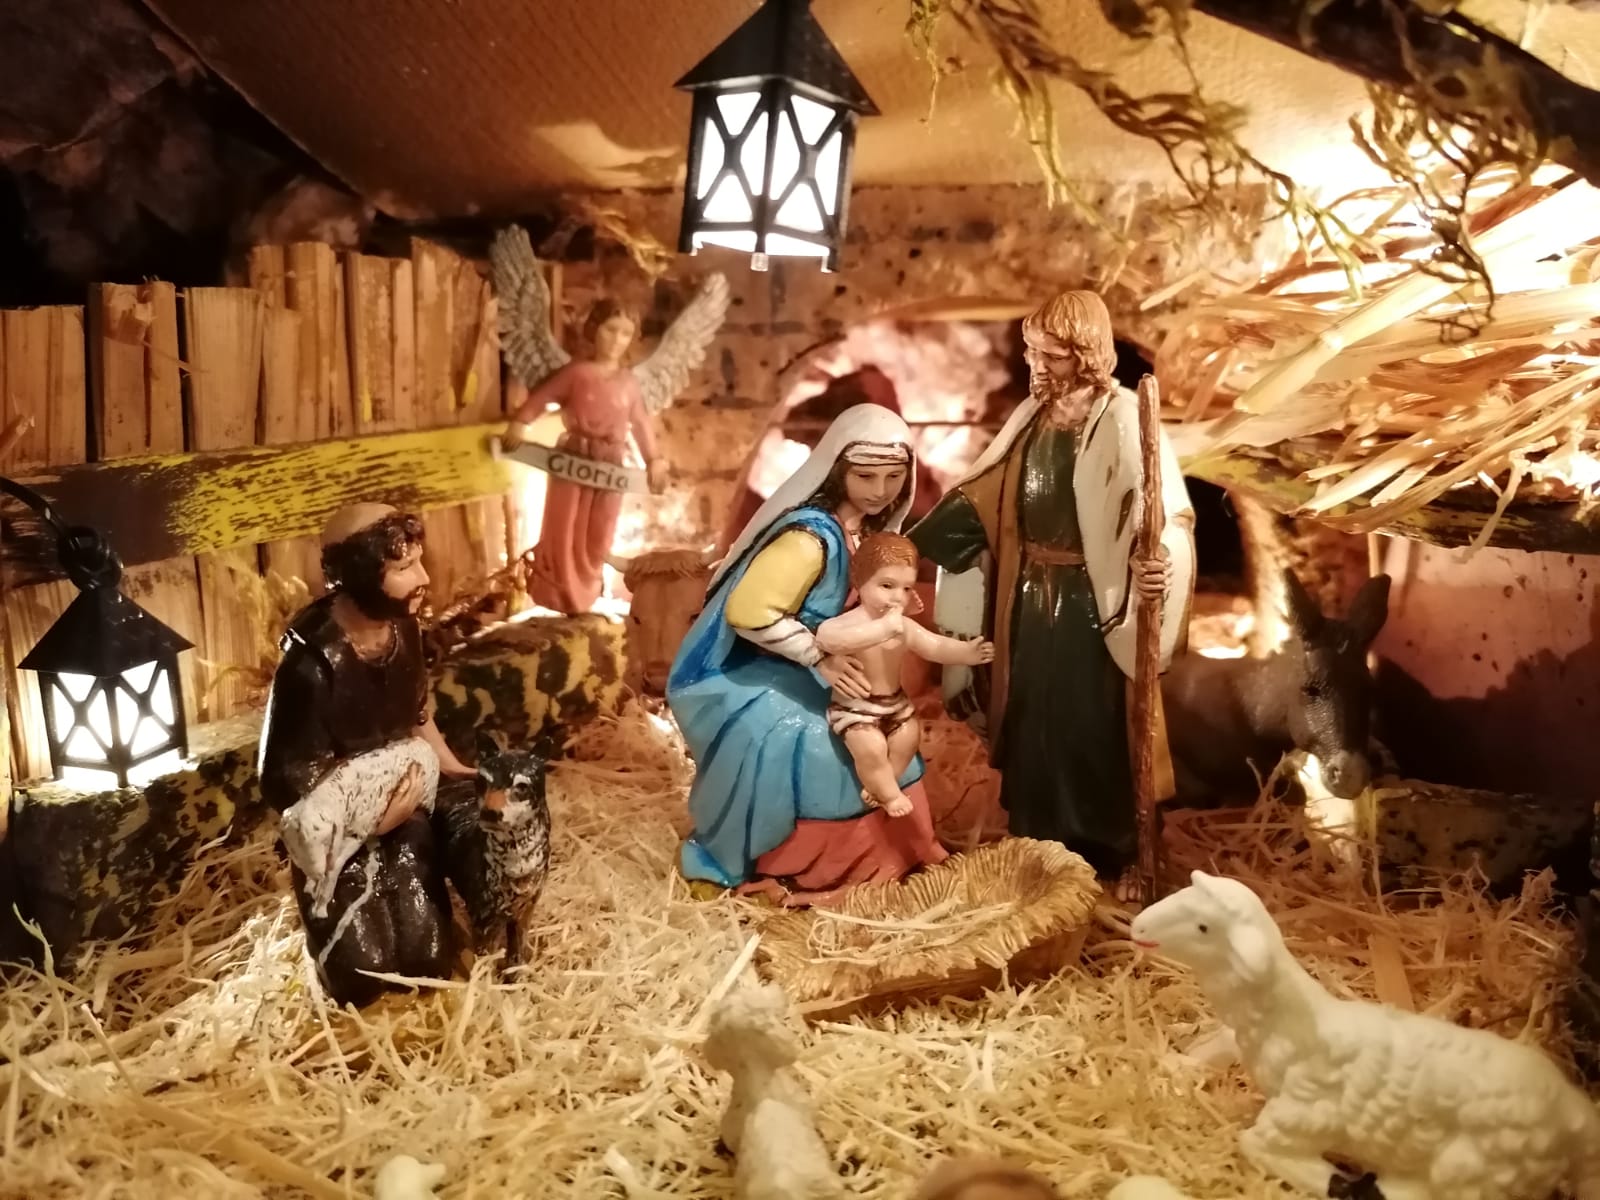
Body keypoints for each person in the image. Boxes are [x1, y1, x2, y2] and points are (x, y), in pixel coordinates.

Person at [907, 290, 1196, 894]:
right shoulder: (1033, 417)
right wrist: (915, 544)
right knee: (1030, 718)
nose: (1036, 366)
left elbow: (1168, 515)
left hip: (1094, 603)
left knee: (1091, 724)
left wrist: (1159, 563)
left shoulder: (1123, 416)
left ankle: (1116, 846)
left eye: (1052, 356)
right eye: (1031, 352)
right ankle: (1038, 837)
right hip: (1028, 598)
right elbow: (986, 494)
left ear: (1086, 355)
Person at [668, 405, 949, 905]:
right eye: (865, 476)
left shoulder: (868, 535)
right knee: (814, 742)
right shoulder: (810, 539)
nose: (880, 490)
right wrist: (818, 658)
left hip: (834, 670)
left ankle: (891, 855)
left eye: (893, 477)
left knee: (894, 730)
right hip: (766, 672)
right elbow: (749, 612)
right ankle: (781, 865)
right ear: (838, 470)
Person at [258, 502, 476, 1007]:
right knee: (361, 974)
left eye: (419, 561)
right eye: (404, 567)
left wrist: (450, 767)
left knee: (427, 956)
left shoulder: (405, 631)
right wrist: (368, 815)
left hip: (403, 811)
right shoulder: (311, 665)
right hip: (339, 839)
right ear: (357, 575)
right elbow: (284, 776)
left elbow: (416, 712)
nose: (424, 578)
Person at [501, 299, 668, 614]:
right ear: (594, 330)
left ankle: (588, 590)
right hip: (575, 455)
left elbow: (640, 423)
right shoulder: (576, 373)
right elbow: (542, 397)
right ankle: (560, 593)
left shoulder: (629, 383)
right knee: (564, 525)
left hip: (611, 463)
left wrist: (654, 459)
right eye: (610, 329)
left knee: (600, 529)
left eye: (625, 333)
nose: (616, 339)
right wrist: (521, 423)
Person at [814, 532, 993, 816]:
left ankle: (884, 784)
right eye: (887, 585)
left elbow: (934, 646)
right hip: (855, 709)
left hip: (896, 703)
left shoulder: (903, 627)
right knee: (871, 748)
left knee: (908, 738)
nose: (898, 597)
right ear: (859, 582)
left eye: (907, 588)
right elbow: (828, 639)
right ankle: (890, 796)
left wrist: (966, 653)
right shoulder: (847, 624)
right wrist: (884, 628)